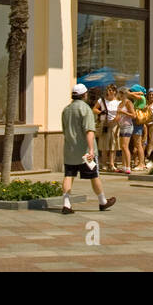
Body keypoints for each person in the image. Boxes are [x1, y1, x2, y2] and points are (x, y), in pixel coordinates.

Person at [60, 83, 117, 214]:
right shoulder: (85, 109)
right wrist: (91, 150)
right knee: (94, 176)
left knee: (68, 175)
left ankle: (66, 204)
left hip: (70, 150)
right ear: (84, 95)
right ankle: (102, 201)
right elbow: (89, 131)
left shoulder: (66, 110)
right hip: (85, 151)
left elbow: (64, 129)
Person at [93, 84, 122, 172]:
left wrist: (113, 121)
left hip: (114, 125)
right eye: (108, 90)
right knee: (104, 145)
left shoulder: (118, 102)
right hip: (104, 124)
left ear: (115, 92)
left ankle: (112, 164)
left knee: (113, 145)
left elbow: (119, 114)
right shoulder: (101, 100)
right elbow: (94, 109)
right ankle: (104, 164)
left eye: (111, 90)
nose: (109, 92)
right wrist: (101, 112)